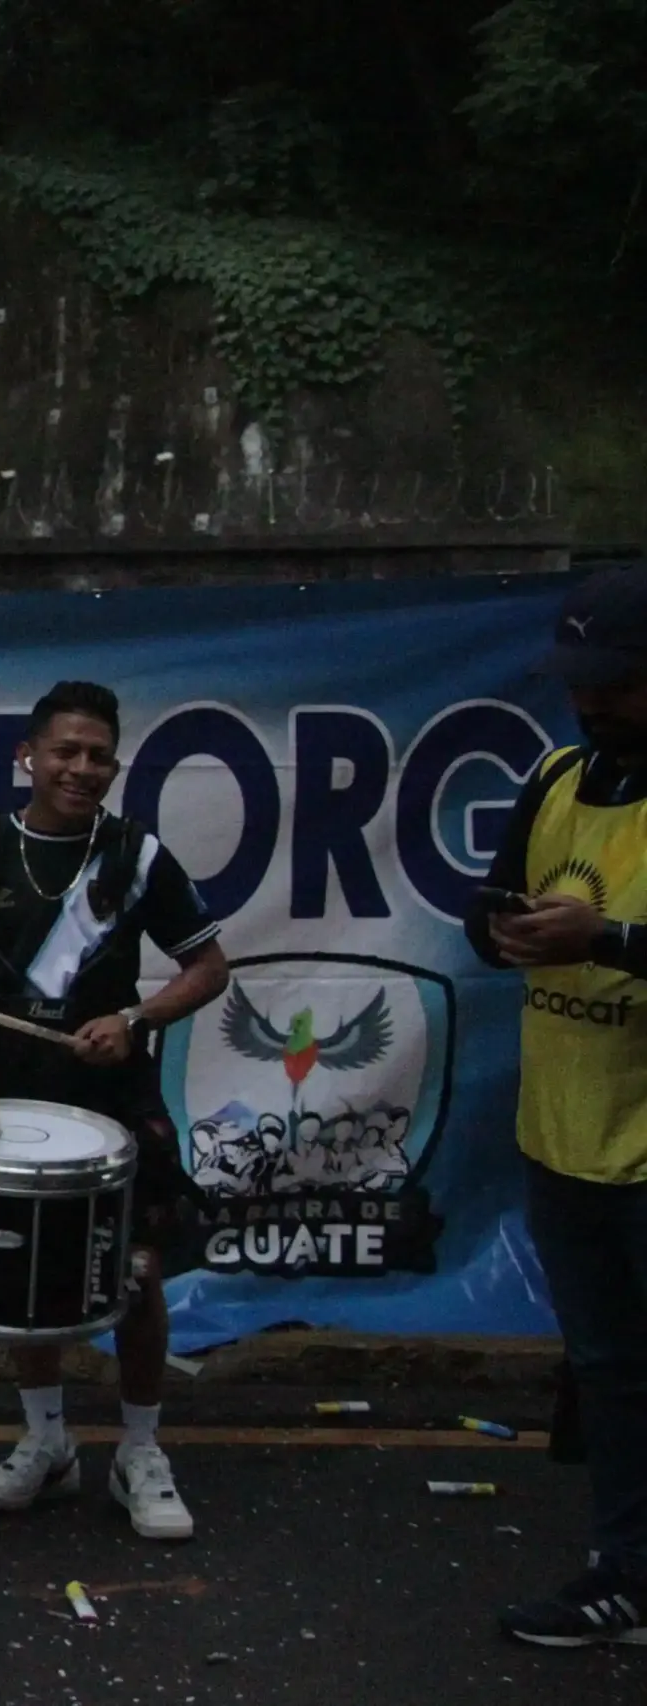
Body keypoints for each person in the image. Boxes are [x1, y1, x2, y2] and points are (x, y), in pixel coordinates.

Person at [0, 680, 229, 1540]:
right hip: (13, 1088)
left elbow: (210, 968)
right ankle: (48, 1442)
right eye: (65, 751)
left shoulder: (137, 856)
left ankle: (140, 1450)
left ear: (116, 765)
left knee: (134, 1273)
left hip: (113, 1090)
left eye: (99, 755)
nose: (81, 768)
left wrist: (135, 1019)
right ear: (27, 756)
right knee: (27, 1271)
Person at [466, 567, 647, 1648]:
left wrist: (607, 941)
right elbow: (483, 902)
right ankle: (620, 1570)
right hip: (565, 1137)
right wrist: (504, 928)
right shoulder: (557, 775)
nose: (589, 702)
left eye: (615, 683)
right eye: (577, 682)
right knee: (610, 1373)